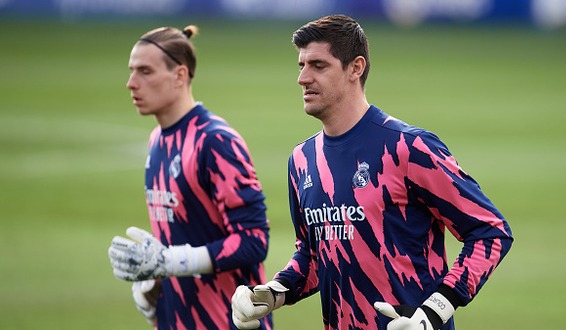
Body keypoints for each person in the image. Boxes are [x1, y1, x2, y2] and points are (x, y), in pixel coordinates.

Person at [231, 14, 513, 330]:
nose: (303, 78)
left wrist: (433, 312)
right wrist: (273, 293)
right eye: (301, 66)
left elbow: (490, 231)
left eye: (318, 66)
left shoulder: (408, 147)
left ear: (356, 68)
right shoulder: (301, 160)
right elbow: (314, 255)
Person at [107, 24, 272, 330]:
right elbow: (181, 238)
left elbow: (254, 240)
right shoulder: (157, 139)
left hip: (228, 322)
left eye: (145, 71)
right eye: (131, 71)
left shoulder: (215, 142)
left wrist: (171, 262)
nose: (131, 83)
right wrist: (154, 290)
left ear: (180, 75)